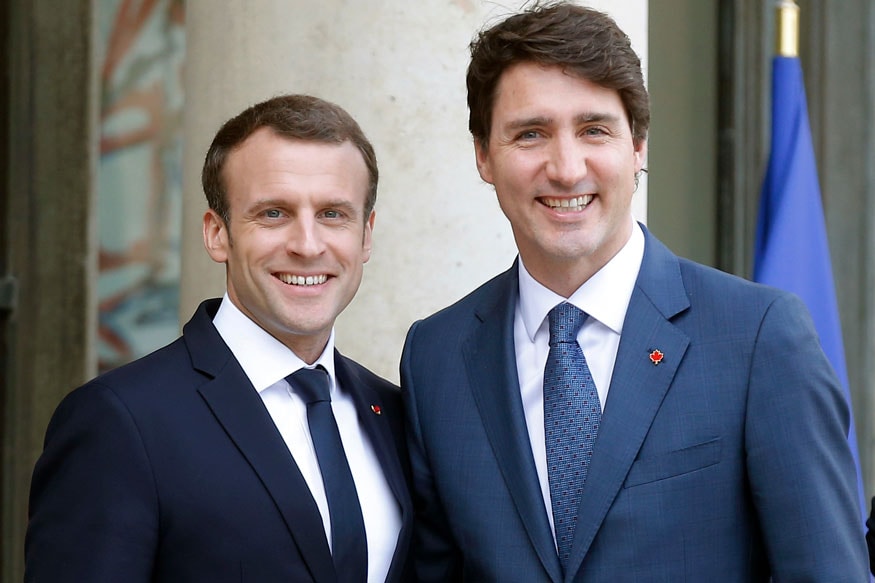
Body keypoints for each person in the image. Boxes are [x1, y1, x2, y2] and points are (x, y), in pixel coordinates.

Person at [400, 3, 868, 581]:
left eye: (594, 129)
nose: (567, 168)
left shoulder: (758, 337)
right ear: (483, 156)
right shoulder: (437, 356)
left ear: (638, 146)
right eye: (530, 134)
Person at [26, 94, 411, 582]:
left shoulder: (395, 414)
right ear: (217, 234)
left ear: (366, 236)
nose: (308, 244)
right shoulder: (119, 421)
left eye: (334, 214)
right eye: (273, 213)